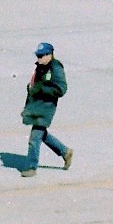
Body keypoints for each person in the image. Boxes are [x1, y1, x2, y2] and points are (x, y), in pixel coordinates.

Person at [19, 41, 72, 177]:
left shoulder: (55, 67)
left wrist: (41, 89)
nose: (39, 58)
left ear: (50, 54)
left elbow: (61, 89)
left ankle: (31, 167)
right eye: (38, 56)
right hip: (36, 107)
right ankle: (65, 151)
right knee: (42, 134)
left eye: (42, 56)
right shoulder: (40, 68)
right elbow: (33, 88)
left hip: (46, 108)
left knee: (34, 137)